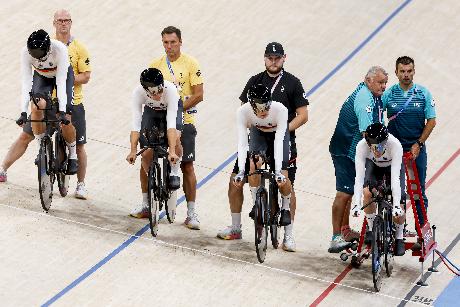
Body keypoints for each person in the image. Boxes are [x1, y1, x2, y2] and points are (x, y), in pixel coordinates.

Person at [217, 42, 308, 252]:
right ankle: (237, 225)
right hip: (258, 134)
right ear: (264, 58)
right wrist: (261, 124)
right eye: (270, 57)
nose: (273, 61)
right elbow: (244, 113)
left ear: (284, 58)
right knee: (237, 178)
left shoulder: (293, 83)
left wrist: (282, 130)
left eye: (277, 58)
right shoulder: (255, 81)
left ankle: (289, 235)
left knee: (285, 180)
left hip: (282, 135)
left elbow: (303, 115)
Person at [0, 9, 91, 201]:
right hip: (43, 82)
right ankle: (33, 151)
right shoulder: (32, 48)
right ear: (54, 23)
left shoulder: (64, 49)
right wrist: (23, 111)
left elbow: (64, 82)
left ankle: (76, 168)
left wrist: (65, 111)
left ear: (71, 22)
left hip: (65, 87)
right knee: (32, 118)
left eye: (67, 20)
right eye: (60, 20)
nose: (63, 23)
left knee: (72, 131)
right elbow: (27, 82)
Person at [130, 26, 203, 231]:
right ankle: (146, 203)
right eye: (165, 42)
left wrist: (175, 107)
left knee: (187, 165)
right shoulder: (155, 65)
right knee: (147, 153)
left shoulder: (191, 63)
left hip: (184, 118)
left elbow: (199, 94)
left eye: (173, 42)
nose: (169, 46)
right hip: (157, 115)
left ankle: (191, 212)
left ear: (180, 42)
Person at [328, 66, 388, 253]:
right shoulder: (364, 100)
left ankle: (345, 231)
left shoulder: (371, 94)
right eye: (380, 82)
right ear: (368, 80)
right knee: (344, 193)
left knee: (349, 192)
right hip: (346, 150)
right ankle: (335, 237)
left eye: (385, 82)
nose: (383, 86)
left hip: (351, 148)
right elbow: (367, 134)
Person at [12, 29, 78, 178]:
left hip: (63, 75)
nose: (40, 61)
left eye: (42, 57)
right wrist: (23, 111)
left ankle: (73, 155)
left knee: (66, 117)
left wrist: (61, 110)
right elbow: (26, 81)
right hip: (42, 77)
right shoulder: (25, 53)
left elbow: (61, 82)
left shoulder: (60, 49)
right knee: (36, 106)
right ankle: (41, 150)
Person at [382, 56, 436, 227]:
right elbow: (377, 115)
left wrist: (419, 143)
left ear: (414, 71)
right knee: (393, 191)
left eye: (409, 71)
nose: (406, 74)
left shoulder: (423, 93)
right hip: (394, 149)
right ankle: (393, 228)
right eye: (402, 71)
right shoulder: (389, 93)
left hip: (415, 149)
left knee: (418, 191)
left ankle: (421, 229)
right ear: (396, 73)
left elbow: (432, 121)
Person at [233, 84, 293, 230]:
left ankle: (285, 206)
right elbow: (242, 144)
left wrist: (278, 171)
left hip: (278, 136)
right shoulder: (242, 111)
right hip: (258, 133)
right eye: (259, 108)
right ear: (251, 104)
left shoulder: (280, 110)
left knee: (283, 175)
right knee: (253, 164)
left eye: (266, 106)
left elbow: (279, 141)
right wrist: (241, 171)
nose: (263, 111)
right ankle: (256, 204)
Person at [126, 68, 182, 210]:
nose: (158, 94)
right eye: (154, 92)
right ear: (146, 90)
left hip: (170, 109)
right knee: (146, 152)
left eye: (160, 90)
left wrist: (172, 151)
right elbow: (136, 125)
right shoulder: (138, 93)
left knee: (177, 137)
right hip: (151, 111)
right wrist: (133, 151)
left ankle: (174, 171)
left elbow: (171, 124)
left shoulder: (170, 92)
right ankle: (152, 180)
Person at [351, 123, 406, 256]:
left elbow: (395, 179)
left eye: (380, 146)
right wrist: (357, 204)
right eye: (373, 147)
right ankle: (371, 229)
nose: (377, 150)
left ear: (385, 142)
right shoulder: (361, 146)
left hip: (391, 168)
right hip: (374, 166)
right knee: (367, 193)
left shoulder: (395, 145)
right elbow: (359, 178)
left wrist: (397, 205)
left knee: (400, 203)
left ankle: (399, 237)